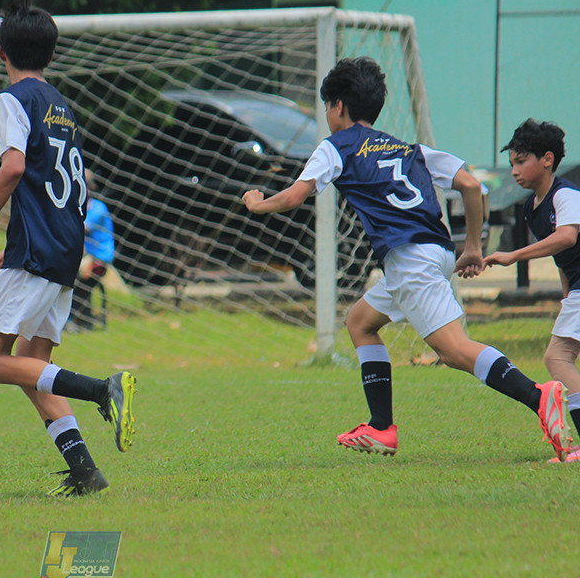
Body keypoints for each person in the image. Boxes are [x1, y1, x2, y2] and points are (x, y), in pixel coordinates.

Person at [241, 57, 570, 460]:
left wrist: (258, 204)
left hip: (409, 259)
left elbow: (294, 196)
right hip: (429, 253)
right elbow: (470, 185)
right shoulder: (408, 148)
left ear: (338, 107)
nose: (328, 115)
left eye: (327, 106)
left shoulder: (335, 147)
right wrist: (471, 246)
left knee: (453, 350)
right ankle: (381, 428)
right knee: (360, 321)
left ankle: (538, 395)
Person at [0, 0, 136, 497]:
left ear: (1, 50)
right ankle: (85, 472)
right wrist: (15, 244)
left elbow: (13, 168)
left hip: (39, 249)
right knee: (35, 369)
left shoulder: (13, 99)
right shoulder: (60, 104)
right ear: (51, 54)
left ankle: (103, 389)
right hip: (61, 247)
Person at [483, 119, 580, 462]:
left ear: (547, 159)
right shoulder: (530, 208)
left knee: (558, 357)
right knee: (561, 357)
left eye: (521, 161)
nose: (514, 170)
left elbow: (567, 237)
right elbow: (563, 255)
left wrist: (513, 256)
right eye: (511, 163)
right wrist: (566, 292)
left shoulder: (565, 194)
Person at [69, 168, 115, 330]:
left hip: (99, 258)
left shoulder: (97, 208)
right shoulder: (77, 207)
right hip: (87, 256)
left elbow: (80, 229)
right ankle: (80, 319)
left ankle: (75, 320)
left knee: (72, 279)